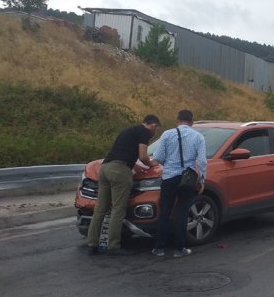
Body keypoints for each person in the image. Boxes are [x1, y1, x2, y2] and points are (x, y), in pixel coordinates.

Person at [86, 115, 161, 256]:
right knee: (118, 208)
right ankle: (113, 246)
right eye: (156, 129)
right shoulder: (144, 132)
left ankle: (92, 244)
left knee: (100, 209)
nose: (155, 132)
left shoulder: (128, 130)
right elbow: (143, 156)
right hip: (120, 170)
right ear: (153, 125)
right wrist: (152, 163)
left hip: (105, 168)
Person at [151, 110, 207, 257]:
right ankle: (179, 248)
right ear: (192, 122)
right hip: (186, 179)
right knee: (182, 212)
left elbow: (158, 157)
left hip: (169, 177)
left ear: (177, 120)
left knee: (165, 212)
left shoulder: (167, 134)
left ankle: (159, 248)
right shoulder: (198, 137)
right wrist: (201, 180)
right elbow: (201, 161)